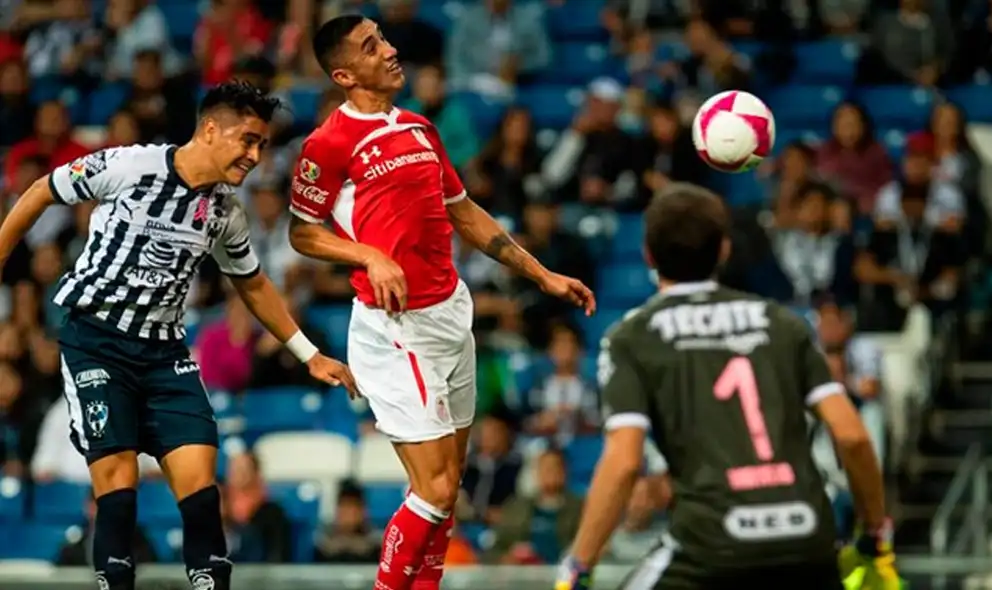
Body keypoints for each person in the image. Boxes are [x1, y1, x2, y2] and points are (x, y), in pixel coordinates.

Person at [0, 81, 356, 590]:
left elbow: (252, 283)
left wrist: (308, 354)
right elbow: (42, 189)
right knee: (118, 482)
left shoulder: (225, 211)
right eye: (247, 140)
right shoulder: (129, 165)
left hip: (164, 351)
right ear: (210, 129)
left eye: (261, 144)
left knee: (201, 483)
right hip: (96, 339)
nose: (255, 156)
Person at [288, 15, 596, 590]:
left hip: (451, 313)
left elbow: (465, 212)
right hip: (394, 329)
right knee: (433, 490)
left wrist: (541, 274)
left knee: (447, 488)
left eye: (383, 38)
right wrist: (369, 256)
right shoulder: (328, 144)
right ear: (344, 75)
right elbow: (302, 232)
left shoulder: (419, 128)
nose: (390, 50)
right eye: (371, 47)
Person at [554, 183, 897, 590]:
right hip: (806, 535)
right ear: (724, 250)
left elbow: (625, 462)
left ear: (648, 255)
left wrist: (579, 566)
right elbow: (852, 436)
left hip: (712, 541)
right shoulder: (782, 323)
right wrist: (874, 537)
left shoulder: (632, 337)